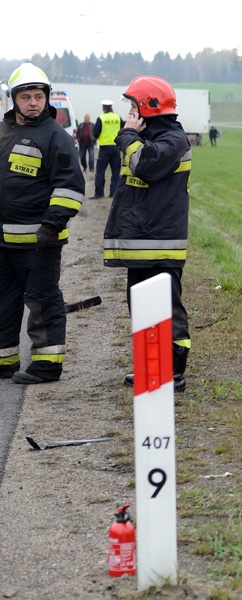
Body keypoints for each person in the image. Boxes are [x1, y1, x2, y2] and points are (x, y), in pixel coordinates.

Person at [104, 76, 192, 392]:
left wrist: (128, 135)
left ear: (147, 107)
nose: (129, 113)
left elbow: (144, 164)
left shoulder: (173, 140)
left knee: (168, 309)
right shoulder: (150, 137)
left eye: (132, 106)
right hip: (142, 241)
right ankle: (150, 367)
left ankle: (174, 372)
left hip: (161, 243)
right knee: (141, 307)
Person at [0, 63, 84, 383]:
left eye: (38, 96)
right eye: (26, 96)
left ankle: (47, 365)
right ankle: (4, 360)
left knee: (41, 300)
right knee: (4, 302)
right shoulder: (3, 132)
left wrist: (51, 225)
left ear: (47, 99)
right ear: (14, 100)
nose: (33, 102)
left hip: (39, 241)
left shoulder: (55, 137)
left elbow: (70, 187)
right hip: (3, 242)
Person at [90, 100, 123, 199]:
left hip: (104, 148)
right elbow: (123, 128)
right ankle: (114, 192)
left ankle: (99, 193)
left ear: (103, 108)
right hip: (116, 148)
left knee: (100, 171)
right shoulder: (118, 117)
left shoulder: (101, 118)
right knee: (116, 171)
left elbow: (96, 133)